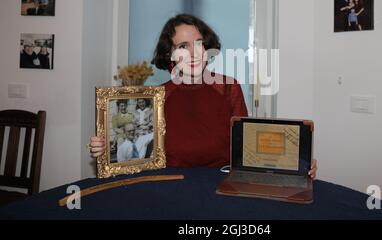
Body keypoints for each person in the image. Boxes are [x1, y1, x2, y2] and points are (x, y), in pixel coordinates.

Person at [90, 13, 317, 178]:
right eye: (183, 46)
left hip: (221, 183)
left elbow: (247, 148)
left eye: (199, 43)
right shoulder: (159, 97)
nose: (195, 53)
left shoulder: (229, 88)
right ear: (170, 55)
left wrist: (296, 164)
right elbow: (138, 151)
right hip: (170, 186)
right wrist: (107, 147)